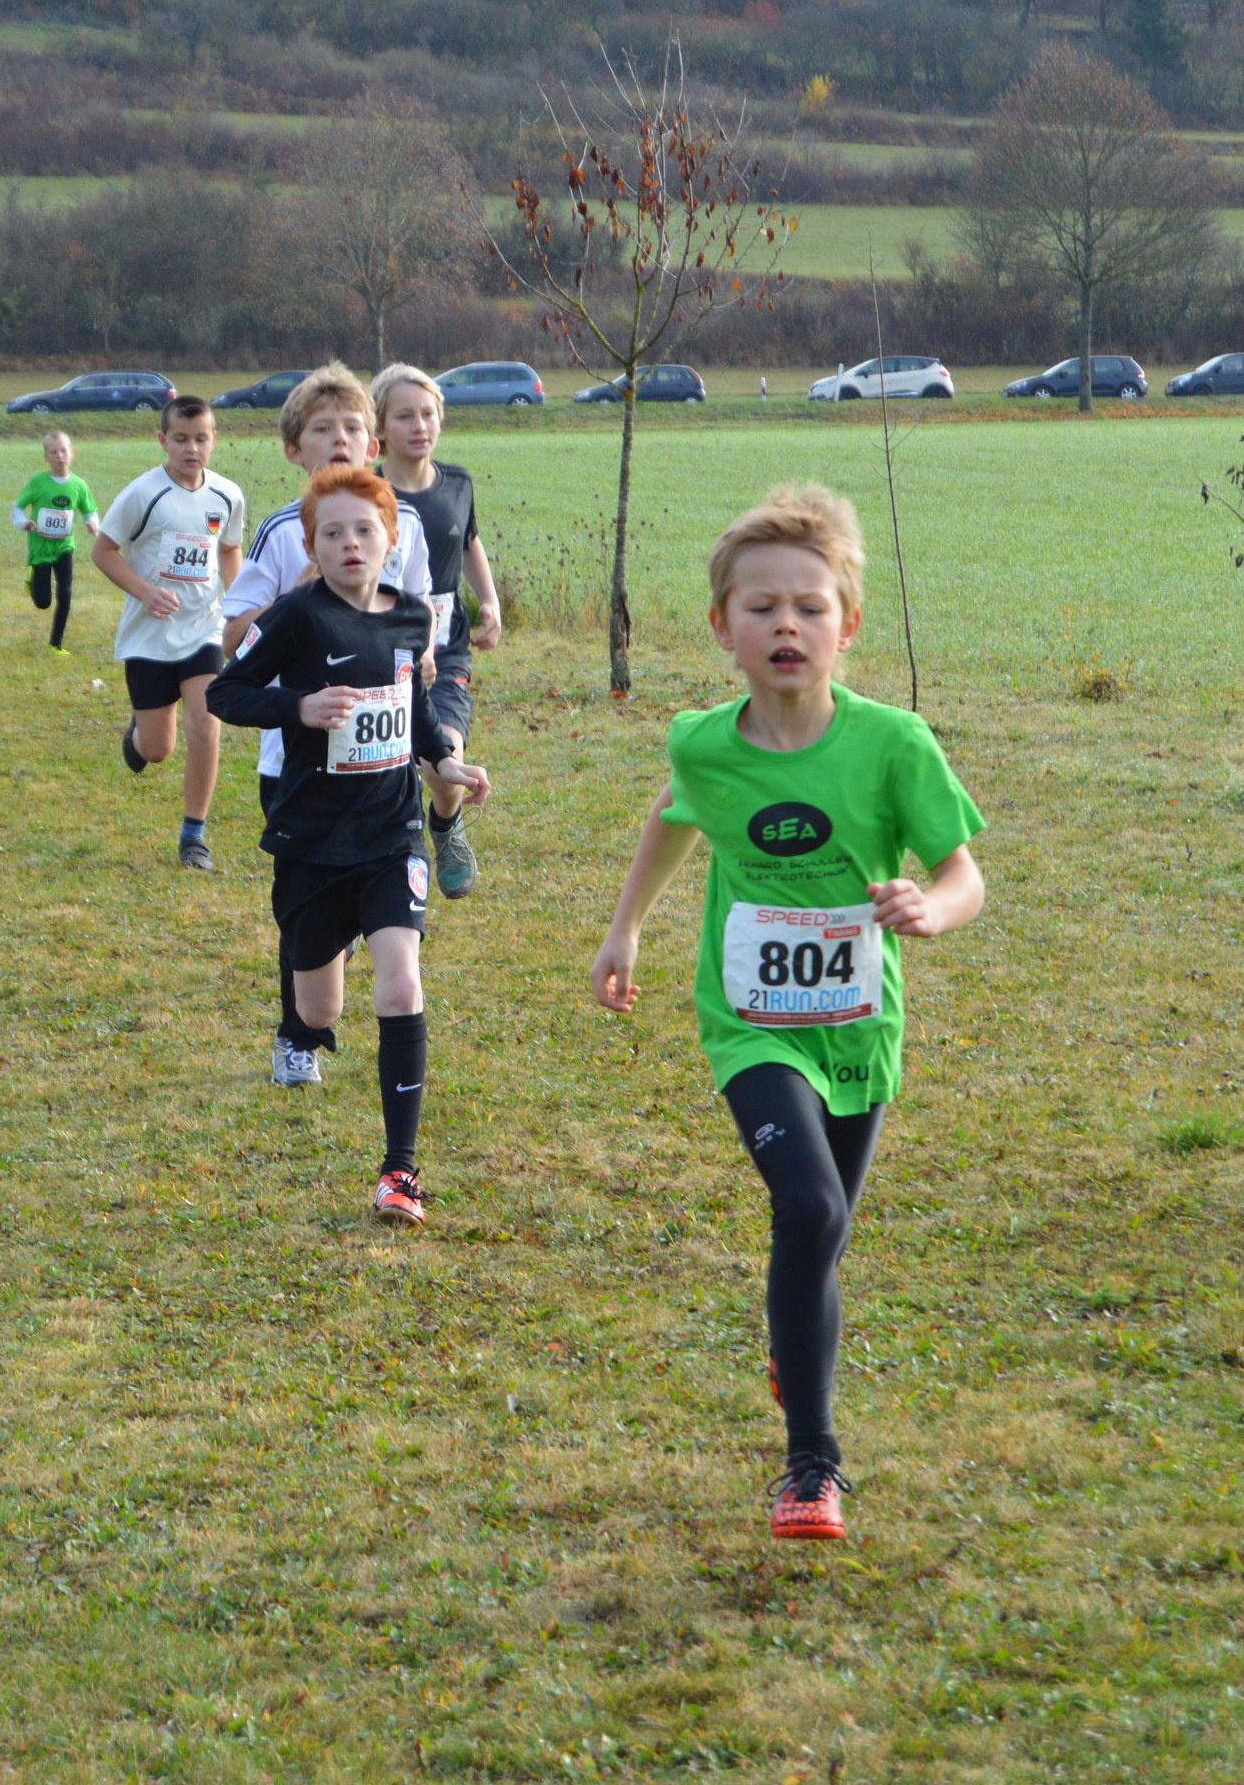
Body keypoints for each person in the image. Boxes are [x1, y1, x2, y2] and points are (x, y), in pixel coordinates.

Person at [588, 485, 986, 1542]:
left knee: (824, 1234)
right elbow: (676, 812)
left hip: (858, 1022)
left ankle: (789, 1338)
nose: (786, 626)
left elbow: (963, 873)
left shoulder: (893, 744)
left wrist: (931, 907)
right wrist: (626, 927)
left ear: (847, 625)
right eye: (760, 607)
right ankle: (812, 1465)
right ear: (721, 626)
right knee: (807, 1210)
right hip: (749, 1020)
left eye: (809, 607)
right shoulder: (701, 744)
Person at [206, 464, 490, 1229]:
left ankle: (400, 1171)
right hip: (311, 841)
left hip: (392, 833)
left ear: (392, 539)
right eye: (332, 533)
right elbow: (225, 692)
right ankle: (332, 962)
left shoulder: (411, 618)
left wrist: (446, 763)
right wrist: (297, 706)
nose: (350, 543)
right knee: (319, 1005)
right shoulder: (295, 617)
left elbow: (415, 707)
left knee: (400, 986)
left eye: (365, 530)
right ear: (312, 547)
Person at [222, 366, 434, 1079]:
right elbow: (235, 636)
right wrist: (302, 611)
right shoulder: (284, 533)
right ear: (296, 448)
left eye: (352, 427)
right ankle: (297, 1034)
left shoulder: (397, 524)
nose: (340, 439)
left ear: (373, 444)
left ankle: (360, 931)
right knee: (308, 917)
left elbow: (417, 625)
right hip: (295, 762)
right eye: (323, 429)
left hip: (382, 771)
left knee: (377, 910)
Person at [93, 395, 247, 870]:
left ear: (214, 440)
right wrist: (145, 592)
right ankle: (138, 736)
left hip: (204, 629)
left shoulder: (227, 495)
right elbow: (103, 551)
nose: (191, 449)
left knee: (206, 724)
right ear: (163, 440)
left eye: (200, 439)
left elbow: (228, 549)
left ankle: (193, 835)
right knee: (158, 750)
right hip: (150, 635)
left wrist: (242, 605)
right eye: (180, 439)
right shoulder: (144, 494)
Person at [375, 364, 502, 900]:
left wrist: (489, 599)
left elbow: (468, 541)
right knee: (376, 774)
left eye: (428, 414)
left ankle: (446, 824)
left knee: (444, 762)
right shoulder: (367, 494)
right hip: (378, 651)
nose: (419, 426)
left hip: (446, 650)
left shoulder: (458, 483)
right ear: (380, 426)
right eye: (405, 416)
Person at [9, 430, 100, 655]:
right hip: (40, 547)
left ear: (72, 453)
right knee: (43, 603)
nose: (60, 456)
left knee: (65, 594)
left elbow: (90, 511)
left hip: (64, 546)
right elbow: (17, 506)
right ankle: (33, 578)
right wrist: (23, 523)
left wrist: (92, 524)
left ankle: (56, 643)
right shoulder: (38, 482)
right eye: (53, 452)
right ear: (46, 457)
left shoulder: (78, 485)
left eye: (63, 451)